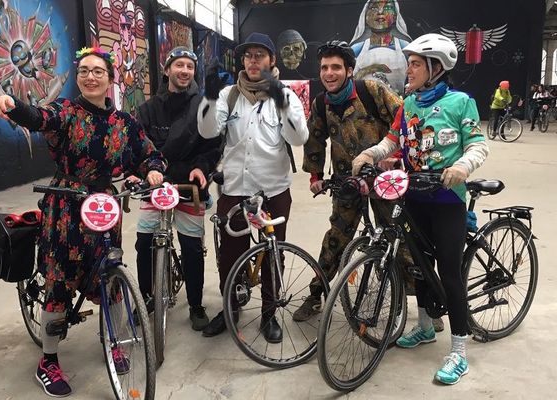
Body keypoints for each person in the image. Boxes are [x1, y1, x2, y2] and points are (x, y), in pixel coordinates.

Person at [0, 47, 167, 397]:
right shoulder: (67, 112)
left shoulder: (125, 123)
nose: (90, 76)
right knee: (59, 282)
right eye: (84, 70)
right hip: (68, 207)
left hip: (105, 205)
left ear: (110, 79)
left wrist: (153, 173)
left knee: (111, 277)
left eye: (98, 71)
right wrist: (12, 105)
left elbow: (150, 155)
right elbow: (40, 117)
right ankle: (48, 360)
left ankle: (114, 341)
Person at [351, 33, 489, 385]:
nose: (408, 69)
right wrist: (371, 153)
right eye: (409, 63)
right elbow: (392, 140)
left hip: (447, 201)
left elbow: (477, 144)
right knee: (419, 263)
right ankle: (426, 327)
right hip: (414, 197)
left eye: (414, 64)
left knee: (449, 272)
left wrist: (463, 167)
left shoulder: (461, 102)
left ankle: (459, 350)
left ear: (435, 68)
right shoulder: (409, 104)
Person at [196, 32, 309, 341]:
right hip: (234, 188)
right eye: (248, 55)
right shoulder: (229, 95)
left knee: (274, 253)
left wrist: (280, 97)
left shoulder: (286, 95)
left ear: (272, 60)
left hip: (273, 190)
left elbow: (299, 138)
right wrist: (207, 95)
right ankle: (230, 308)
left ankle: (269, 314)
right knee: (230, 254)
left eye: (260, 54)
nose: (254, 60)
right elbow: (207, 130)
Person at [294, 40, 402, 321]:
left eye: (336, 67)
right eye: (324, 68)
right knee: (336, 238)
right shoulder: (321, 104)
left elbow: (405, 119)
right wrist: (316, 176)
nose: (329, 73)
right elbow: (315, 140)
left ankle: (424, 302)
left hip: (383, 181)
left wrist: (395, 153)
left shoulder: (372, 91)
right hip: (347, 182)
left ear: (349, 70)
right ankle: (316, 294)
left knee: (397, 239)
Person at [134, 46, 221, 331]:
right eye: (179, 65)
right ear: (167, 69)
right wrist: (140, 172)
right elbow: (137, 146)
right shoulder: (147, 109)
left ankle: (196, 304)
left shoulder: (202, 106)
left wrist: (202, 167)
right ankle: (147, 297)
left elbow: (212, 145)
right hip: (155, 185)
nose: (184, 71)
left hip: (188, 184)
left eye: (189, 66)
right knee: (144, 242)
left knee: (192, 248)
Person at [350, 0, 412, 94]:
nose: (380, 12)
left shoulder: (406, 48)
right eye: (374, 8)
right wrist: (370, 69)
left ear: (395, 16)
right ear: (365, 16)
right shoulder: (356, 49)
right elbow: (348, 84)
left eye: (387, 8)